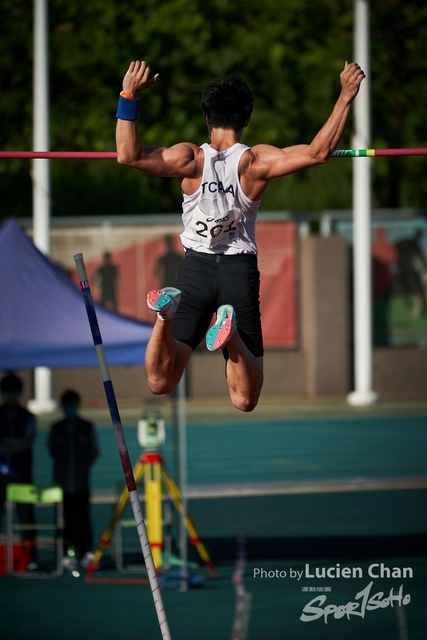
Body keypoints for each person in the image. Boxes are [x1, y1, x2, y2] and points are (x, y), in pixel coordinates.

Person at [116, 59, 365, 412]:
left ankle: (164, 314)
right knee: (245, 400)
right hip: (239, 275)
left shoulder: (189, 159)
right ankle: (230, 336)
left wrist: (129, 94)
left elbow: (127, 156)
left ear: (206, 117)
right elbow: (317, 153)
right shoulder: (255, 162)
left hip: (195, 273)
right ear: (246, 119)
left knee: (160, 382)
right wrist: (345, 95)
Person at [47, 390, 99, 568]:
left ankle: (86, 552)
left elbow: (94, 451)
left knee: (83, 517)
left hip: (80, 481)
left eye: (73, 404)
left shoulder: (87, 426)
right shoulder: (56, 428)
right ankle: (65, 552)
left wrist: (83, 465)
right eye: (67, 404)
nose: (70, 407)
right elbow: (52, 451)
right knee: (63, 518)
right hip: (61, 483)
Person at [0, 373, 38, 570]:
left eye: (14, 391)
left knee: (26, 517)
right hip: (1, 474)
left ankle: (30, 557)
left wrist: (7, 445)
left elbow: (28, 440)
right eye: (8, 391)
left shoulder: (28, 416)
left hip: (21, 473)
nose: (11, 395)